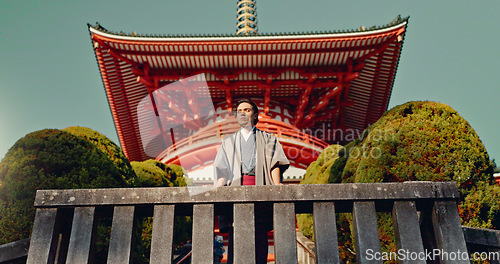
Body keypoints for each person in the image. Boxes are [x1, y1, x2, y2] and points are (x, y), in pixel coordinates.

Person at [214, 98, 290, 264]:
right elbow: (222, 170)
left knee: (260, 232)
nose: (243, 113)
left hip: (260, 187)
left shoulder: (268, 139)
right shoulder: (228, 142)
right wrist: (218, 190)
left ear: (255, 115)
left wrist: (277, 185)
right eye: (239, 111)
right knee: (236, 234)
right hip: (236, 190)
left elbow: (274, 163)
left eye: (247, 110)